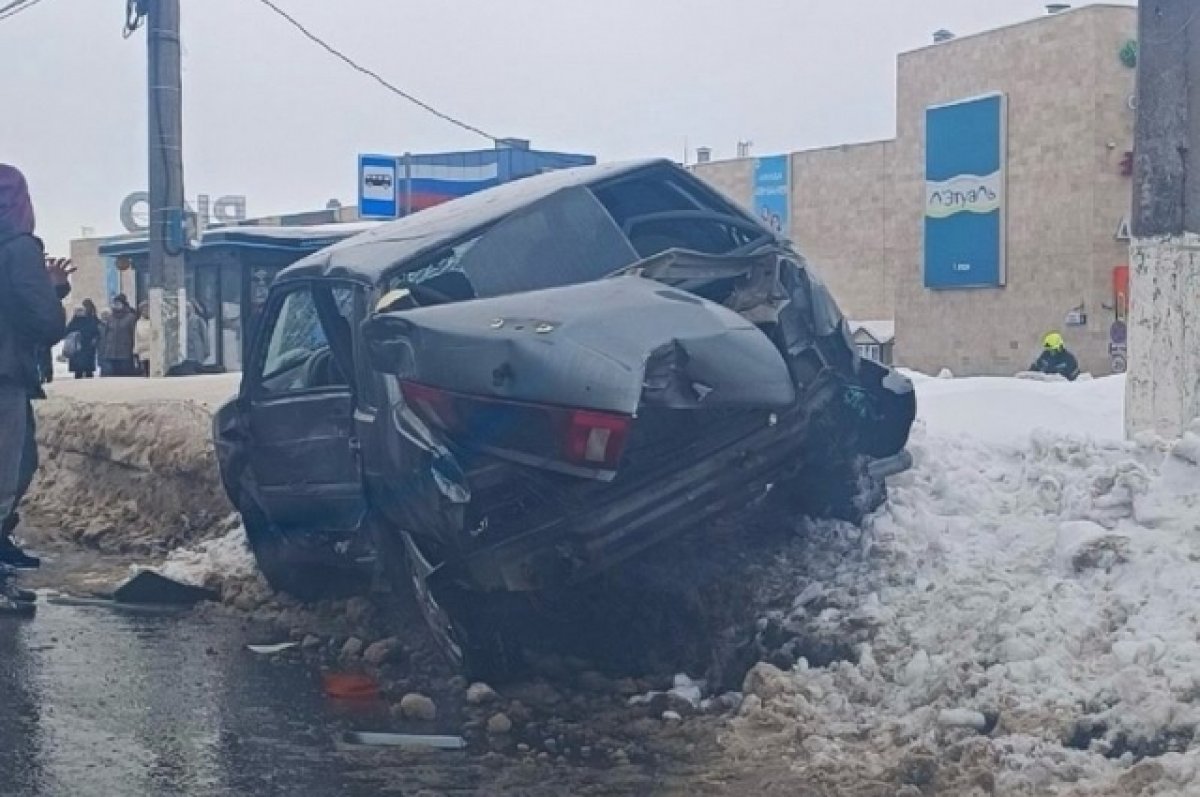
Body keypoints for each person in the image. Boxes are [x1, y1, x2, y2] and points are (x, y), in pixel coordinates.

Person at [0, 164, 72, 613]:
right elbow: (40, 320)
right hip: (4, 376)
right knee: (9, 474)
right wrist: (53, 291)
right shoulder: (18, 246)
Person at [99, 293, 136, 376]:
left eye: (118, 303)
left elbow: (133, 333)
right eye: (115, 303)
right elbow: (106, 334)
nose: (116, 305)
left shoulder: (130, 317)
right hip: (111, 352)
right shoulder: (110, 317)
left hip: (125, 352)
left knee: (124, 375)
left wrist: (133, 347)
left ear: (123, 304)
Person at [65, 300, 101, 379]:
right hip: (77, 348)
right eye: (78, 311)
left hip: (88, 347)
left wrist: (94, 339)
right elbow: (67, 332)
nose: (80, 313)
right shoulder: (73, 322)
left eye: (81, 311)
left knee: (88, 370)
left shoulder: (90, 320)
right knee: (78, 371)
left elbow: (96, 332)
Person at [134, 301, 153, 377]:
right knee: (145, 372)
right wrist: (135, 350)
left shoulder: (155, 321)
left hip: (153, 350)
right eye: (144, 310)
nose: (146, 312)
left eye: (147, 310)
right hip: (143, 350)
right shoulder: (138, 322)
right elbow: (136, 336)